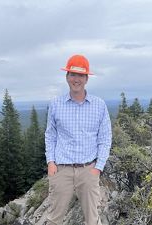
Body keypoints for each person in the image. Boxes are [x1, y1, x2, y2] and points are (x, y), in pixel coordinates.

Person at [44, 54, 112, 225]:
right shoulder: (56, 104)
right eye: (72, 74)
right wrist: (50, 162)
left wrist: (98, 168)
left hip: (88, 170)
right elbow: (50, 135)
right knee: (54, 219)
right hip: (61, 170)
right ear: (67, 77)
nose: (76, 79)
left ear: (86, 78)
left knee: (92, 219)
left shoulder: (99, 105)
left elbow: (105, 138)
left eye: (80, 75)